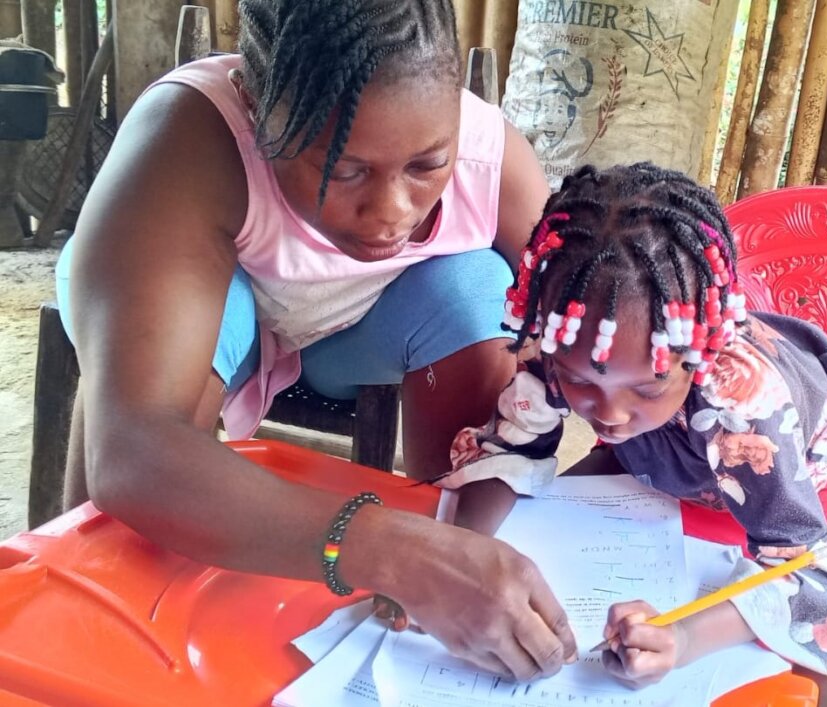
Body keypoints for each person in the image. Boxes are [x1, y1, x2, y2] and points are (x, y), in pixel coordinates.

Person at [54, 0, 577, 681]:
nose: (391, 212)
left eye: (426, 165)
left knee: (477, 287)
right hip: (208, 309)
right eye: (346, 170)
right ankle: (90, 613)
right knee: (127, 528)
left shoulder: (489, 156)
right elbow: (130, 453)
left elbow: (571, 325)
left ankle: (452, 557)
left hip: (352, 333)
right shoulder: (190, 140)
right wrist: (388, 546)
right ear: (253, 100)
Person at [438, 163, 827, 706]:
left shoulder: (742, 399)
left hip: (820, 475)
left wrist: (682, 636)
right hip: (665, 461)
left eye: (648, 390)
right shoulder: (566, 347)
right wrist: (457, 557)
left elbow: (807, 572)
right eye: (581, 382)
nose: (612, 417)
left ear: (697, 359)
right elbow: (509, 445)